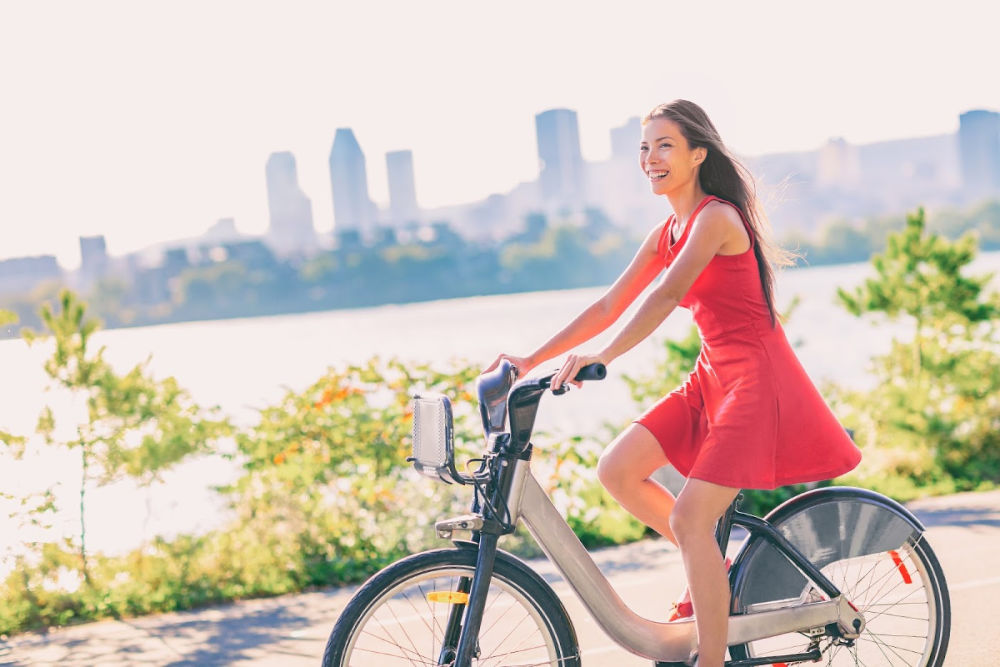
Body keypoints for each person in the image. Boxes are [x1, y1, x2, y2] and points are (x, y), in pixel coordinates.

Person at [482, 99, 862, 667]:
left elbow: (662, 297)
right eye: (644, 148)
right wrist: (529, 359)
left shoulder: (716, 218)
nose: (650, 159)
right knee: (618, 470)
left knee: (688, 516)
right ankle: (709, 565)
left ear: (697, 154)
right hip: (713, 376)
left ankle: (710, 655)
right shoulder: (670, 229)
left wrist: (604, 356)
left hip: (758, 384)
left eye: (664, 146)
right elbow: (611, 302)